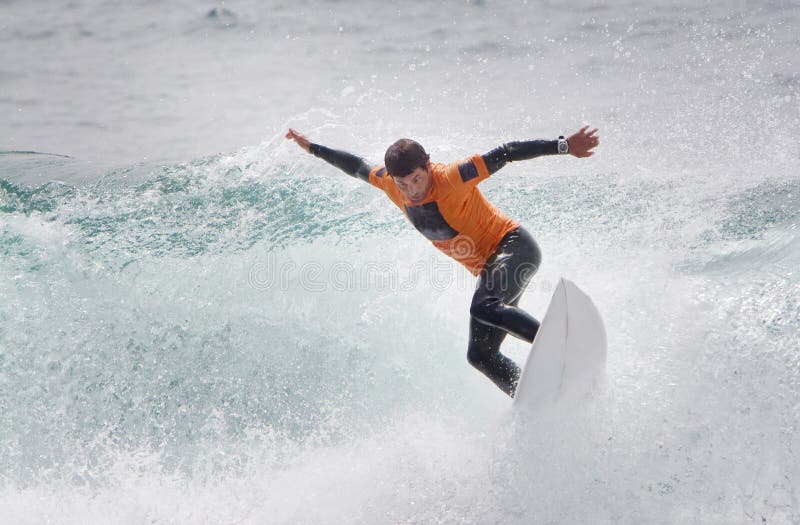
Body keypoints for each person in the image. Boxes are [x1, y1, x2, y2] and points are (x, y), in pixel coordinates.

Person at [285, 126, 599, 397]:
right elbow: (355, 165)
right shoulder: (390, 184)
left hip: (514, 247)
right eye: (403, 184)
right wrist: (313, 148)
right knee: (480, 355)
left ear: (428, 166)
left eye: (416, 180)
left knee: (484, 306)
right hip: (490, 267)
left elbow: (506, 152)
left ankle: (566, 346)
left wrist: (564, 145)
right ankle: (535, 397)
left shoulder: (452, 176)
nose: (411, 191)